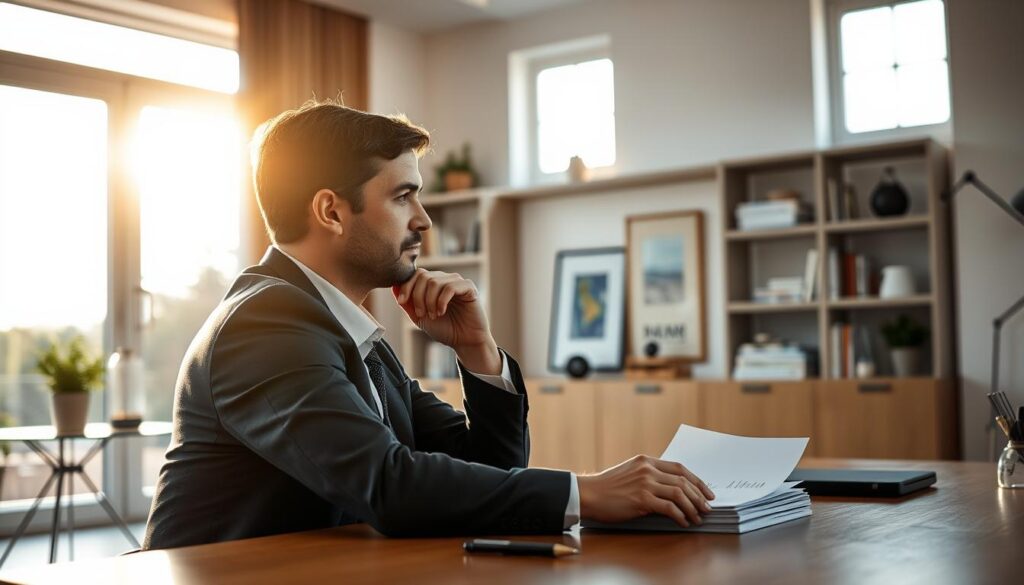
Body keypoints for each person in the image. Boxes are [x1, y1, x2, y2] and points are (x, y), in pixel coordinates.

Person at [143, 100, 714, 549]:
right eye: (403, 197)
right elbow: (390, 484)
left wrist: (478, 353)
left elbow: (486, 475)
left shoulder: (346, 329)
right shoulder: (265, 325)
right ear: (331, 211)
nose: (424, 219)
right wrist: (583, 493)